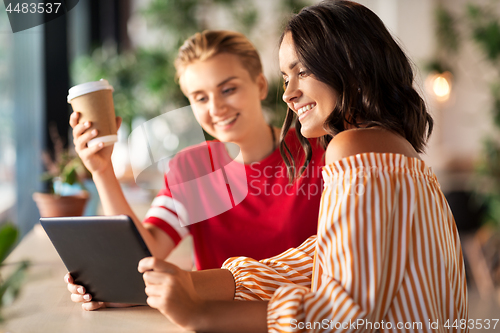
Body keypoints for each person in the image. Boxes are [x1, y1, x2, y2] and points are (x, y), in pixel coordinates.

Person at [132, 1, 469, 332]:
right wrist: (188, 284)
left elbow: (346, 313)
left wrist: (201, 316)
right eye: (285, 76)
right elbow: (314, 260)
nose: (288, 94)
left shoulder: (350, 148)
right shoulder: (384, 149)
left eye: (302, 71)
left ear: (351, 67)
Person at [66, 30, 324, 310]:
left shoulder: (319, 153)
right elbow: (146, 251)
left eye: (228, 89)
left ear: (260, 85)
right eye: (200, 98)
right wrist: (102, 170)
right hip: (210, 322)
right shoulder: (191, 168)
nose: (216, 108)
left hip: (296, 321)